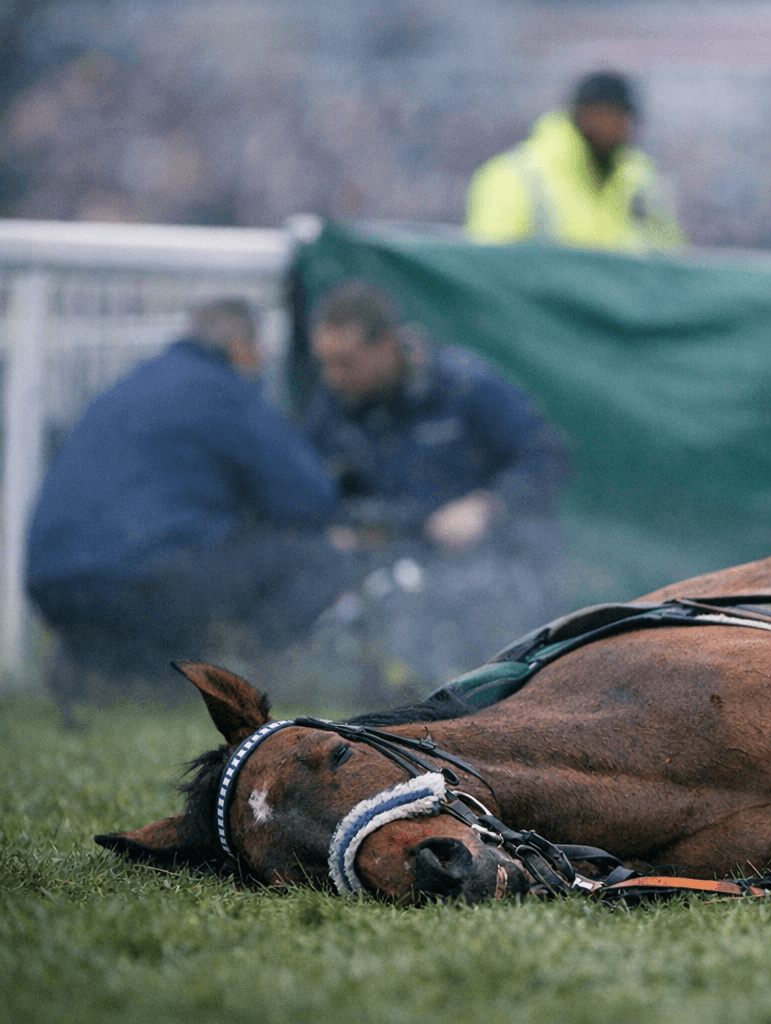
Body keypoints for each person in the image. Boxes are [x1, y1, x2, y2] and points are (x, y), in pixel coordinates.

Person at [27, 298, 360, 702]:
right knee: (316, 559)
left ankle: (100, 666)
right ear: (241, 347)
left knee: (176, 563)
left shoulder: (130, 383)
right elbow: (308, 499)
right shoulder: (224, 390)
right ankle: (247, 679)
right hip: (140, 582)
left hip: (51, 585)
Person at [302, 280, 569, 679]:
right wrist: (335, 527)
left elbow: (547, 454)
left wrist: (485, 507)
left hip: (481, 561)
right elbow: (307, 484)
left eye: (346, 362)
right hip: (383, 559)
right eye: (326, 363)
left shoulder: (466, 386)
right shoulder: (333, 405)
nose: (333, 376)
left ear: (387, 345)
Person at [463, 71, 686, 253]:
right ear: (580, 114)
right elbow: (490, 271)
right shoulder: (515, 177)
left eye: (623, 118)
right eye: (606, 115)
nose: (616, 127)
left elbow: (670, 263)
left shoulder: (641, 182)